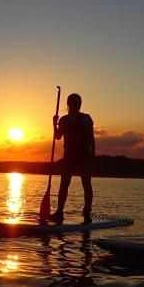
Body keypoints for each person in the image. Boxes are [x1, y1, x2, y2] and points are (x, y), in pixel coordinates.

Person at [50, 93, 95, 224]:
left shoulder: (86, 118)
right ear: (69, 104)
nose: (76, 105)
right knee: (64, 184)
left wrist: (93, 155)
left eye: (78, 103)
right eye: (74, 103)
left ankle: (87, 212)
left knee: (86, 184)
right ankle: (59, 212)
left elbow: (91, 138)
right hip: (69, 156)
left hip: (84, 155)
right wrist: (54, 124)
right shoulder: (63, 120)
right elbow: (58, 136)